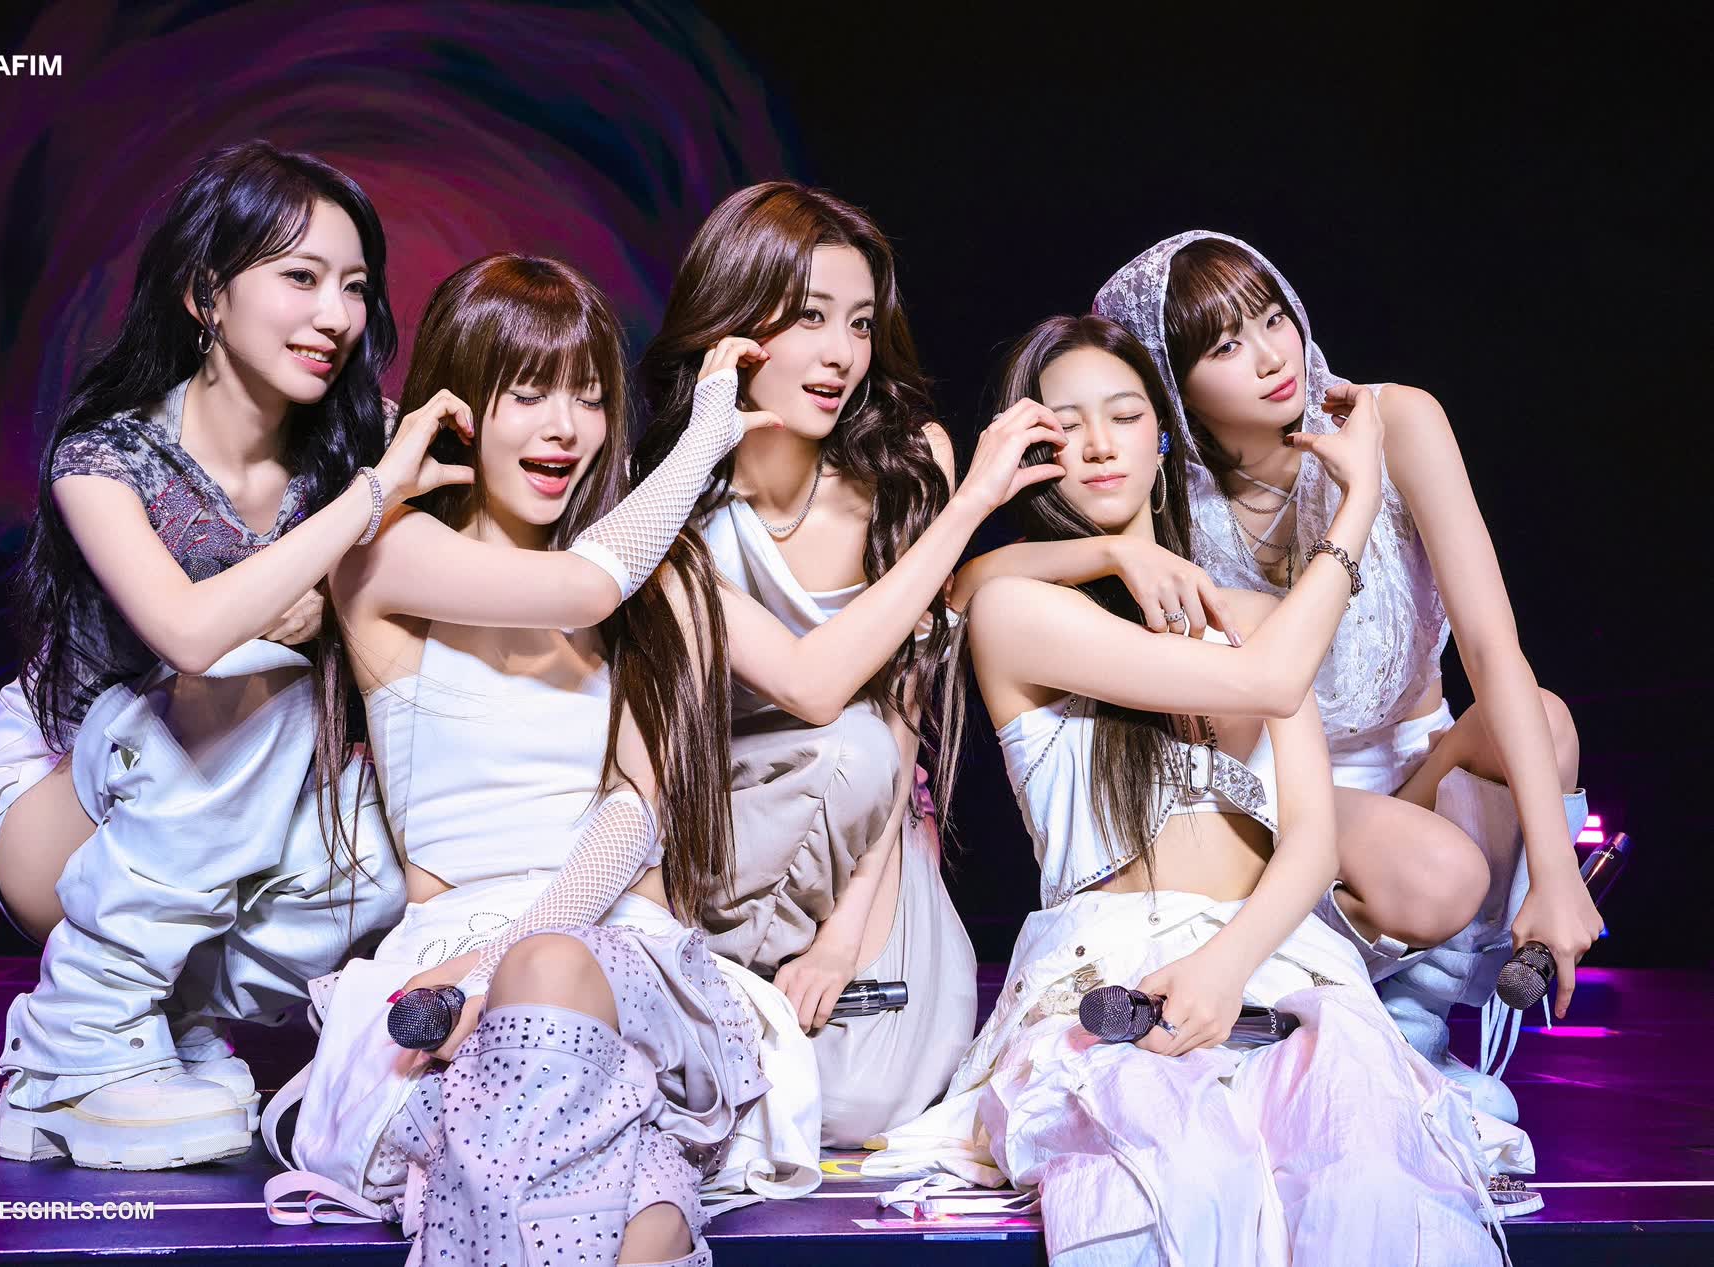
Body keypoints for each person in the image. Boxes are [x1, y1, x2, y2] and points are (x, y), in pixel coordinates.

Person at [867, 315, 1516, 1263]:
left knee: (1370, 1175)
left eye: (1125, 415)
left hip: (1277, 959)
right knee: (1178, 1176)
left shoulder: (1255, 615)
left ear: (1163, 438)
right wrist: (1354, 508)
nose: (1099, 443)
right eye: (1066, 426)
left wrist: (1227, 965)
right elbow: (1269, 679)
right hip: (1114, 967)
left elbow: (1310, 842)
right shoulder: (1017, 611)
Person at [263, 254, 816, 1266]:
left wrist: (504, 961)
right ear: (459, 405)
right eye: (527, 394)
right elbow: (582, 587)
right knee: (637, 1222)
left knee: (548, 969)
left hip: (617, 952)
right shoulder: (385, 556)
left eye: (591, 398)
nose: (565, 427)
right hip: (448, 964)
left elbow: (636, 815)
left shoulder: (663, 581)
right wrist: (704, 440)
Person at [0, 140, 452, 1168]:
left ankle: (167, 1026)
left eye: (356, 287)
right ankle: (69, 1054)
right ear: (205, 294)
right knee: (245, 678)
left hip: (233, 804)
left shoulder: (365, 443)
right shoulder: (105, 457)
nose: (336, 316)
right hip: (53, 797)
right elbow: (186, 631)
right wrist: (369, 504)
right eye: (301, 277)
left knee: (390, 832)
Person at [1092, 231, 1592, 1119]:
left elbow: (1490, 646)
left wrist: (1559, 873)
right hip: (1284, 796)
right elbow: (989, 587)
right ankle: (1364, 1020)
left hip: (1420, 765)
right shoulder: (1164, 496)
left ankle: (1419, 1024)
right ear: (1173, 381)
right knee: (1433, 870)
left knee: (1543, 721)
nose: (1271, 355)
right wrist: (1105, 551)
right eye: (1225, 345)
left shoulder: (1398, 420)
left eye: (1272, 317)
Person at [634, 182, 1065, 1145]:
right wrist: (971, 509)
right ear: (732, 324)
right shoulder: (668, 510)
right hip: (725, 840)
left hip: (870, 838)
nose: (841, 353)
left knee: (861, 1098)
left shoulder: (909, 471)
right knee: (843, 741)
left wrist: (841, 936)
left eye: (861, 323)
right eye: (809, 316)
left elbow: (899, 723)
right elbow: (812, 684)